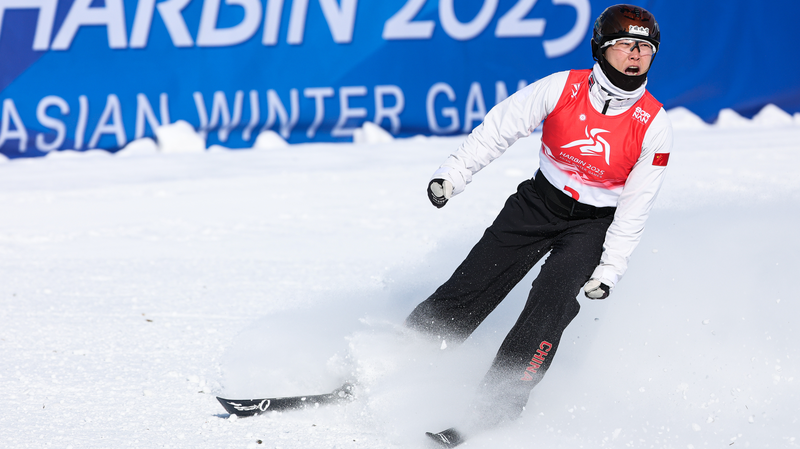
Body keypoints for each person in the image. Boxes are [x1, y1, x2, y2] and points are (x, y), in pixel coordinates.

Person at [407, 4, 673, 447]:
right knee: (473, 282)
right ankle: (396, 359)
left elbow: (636, 205)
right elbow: (499, 128)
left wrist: (610, 268)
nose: (635, 54)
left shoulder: (654, 125)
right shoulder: (562, 87)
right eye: (625, 44)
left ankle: (495, 407)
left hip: (593, 225)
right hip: (538, 203)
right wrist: (453, 174)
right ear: (599, 49)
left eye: (645, 48)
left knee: (550, 304)